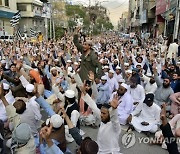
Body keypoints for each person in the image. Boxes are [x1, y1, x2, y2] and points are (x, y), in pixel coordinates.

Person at [81, 83, 121, 154]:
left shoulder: (114, 127)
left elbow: (115, 120)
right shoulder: (103, 119)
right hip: (99, 148)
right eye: (101, 113)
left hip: (109, 152)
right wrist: (84, 92)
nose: (101, 115)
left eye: (104, 113)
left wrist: (114, 109)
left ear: (109, 114)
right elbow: (93, 105)